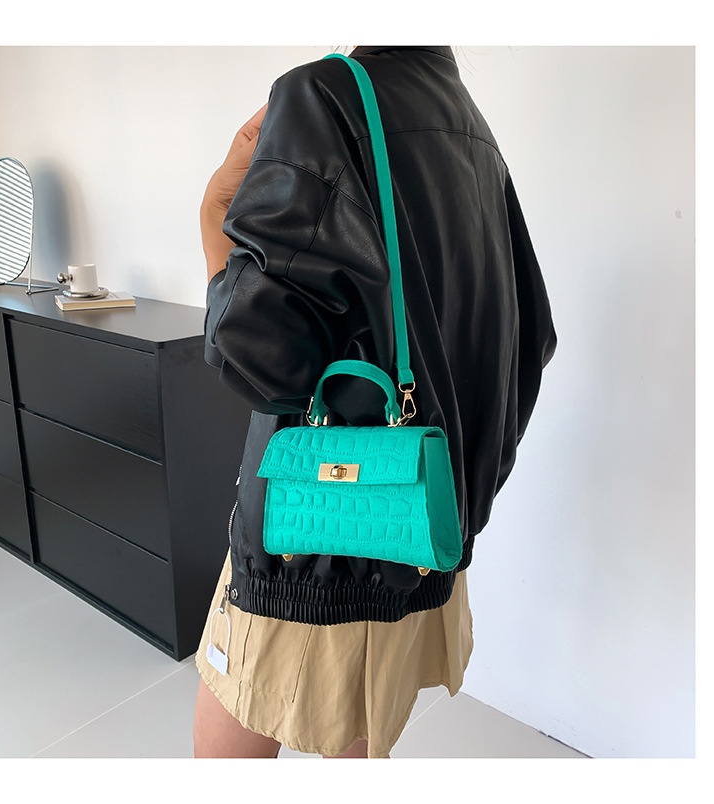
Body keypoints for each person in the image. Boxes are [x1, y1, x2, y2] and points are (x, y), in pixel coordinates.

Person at [193, 45, 557, 759]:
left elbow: (257, 355)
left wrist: (213, 215)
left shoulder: (323, 97)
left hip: (313, 545)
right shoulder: (470, 125)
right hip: (415, 529)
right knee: (360, 732)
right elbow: (529, 339)